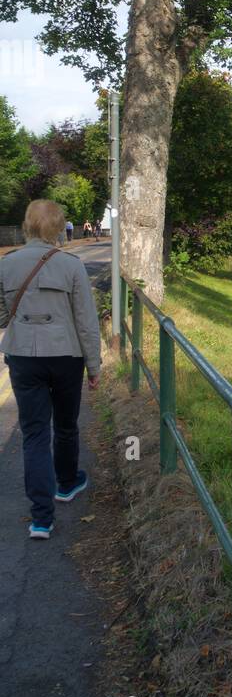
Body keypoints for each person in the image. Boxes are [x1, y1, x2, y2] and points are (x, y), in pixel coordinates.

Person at [0, 199, 101, 539]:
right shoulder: (71, 266)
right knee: (66, 425)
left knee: (34, 434)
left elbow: (2, 317)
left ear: (27, 225)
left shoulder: (7, 264)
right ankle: (67, 483)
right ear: (59, 228)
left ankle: (41, 519)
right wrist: (94, 365)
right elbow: (86, 322)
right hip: (66, 357)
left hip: (24, 358)